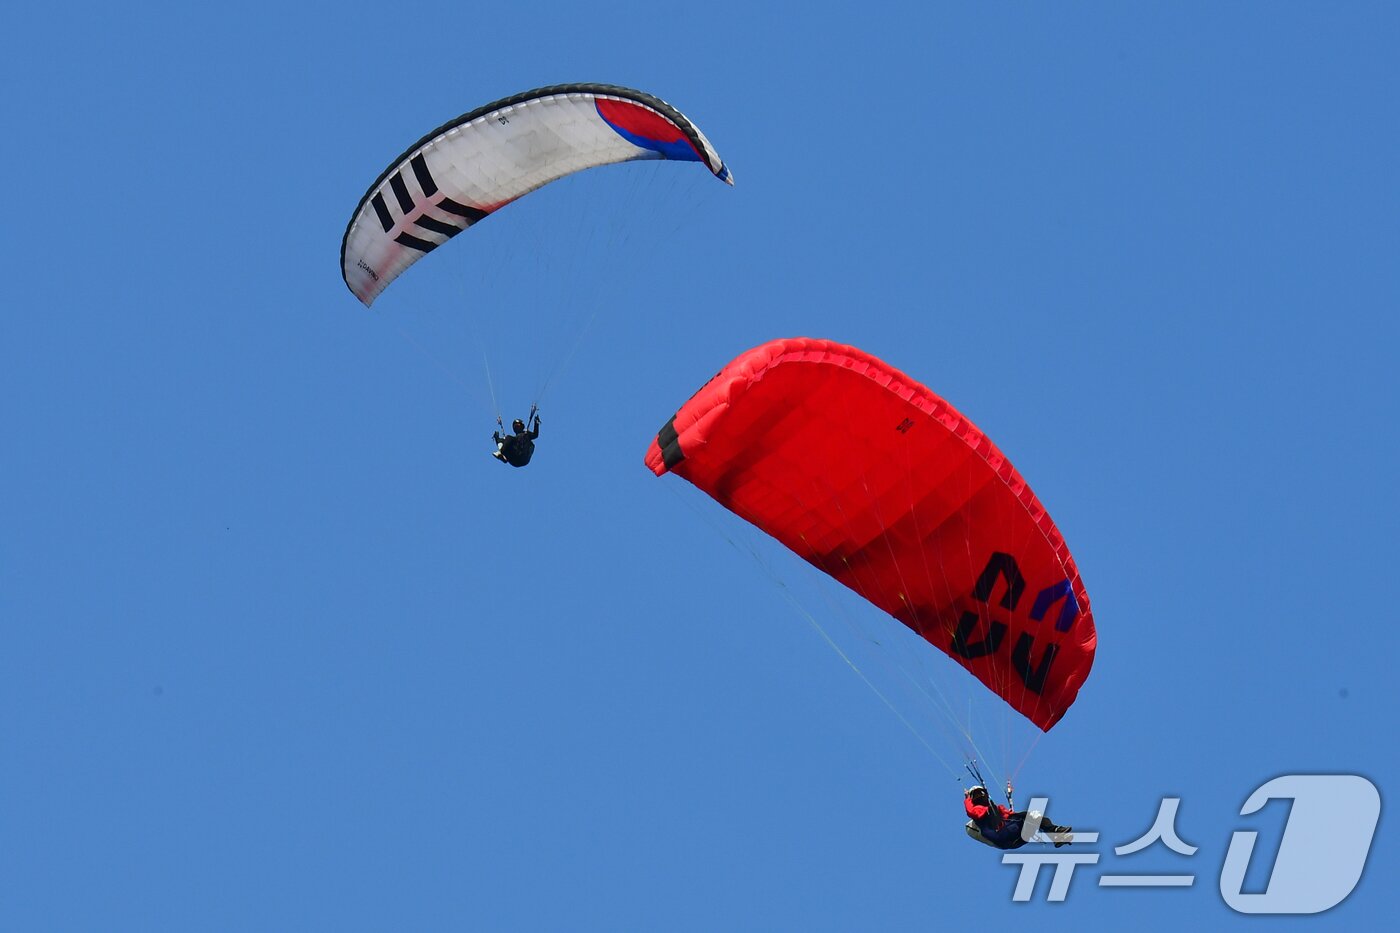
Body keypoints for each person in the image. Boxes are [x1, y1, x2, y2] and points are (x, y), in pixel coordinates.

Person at [964, 785, 1073, 849]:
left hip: (1016, 837)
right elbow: (971, 811)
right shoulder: (978, 812)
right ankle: (1054, 832)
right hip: (1003, 836)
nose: (980, 795)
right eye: (976, 794)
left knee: (1034, 815)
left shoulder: (998, 809)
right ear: (972, 798)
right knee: (1026, 816)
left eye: (981, 793)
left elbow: (1010, 816)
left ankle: (1056, 834)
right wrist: (967, 798)